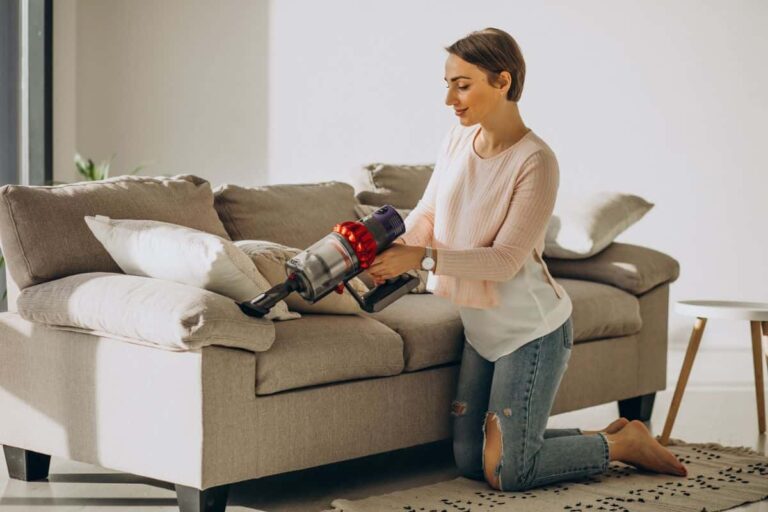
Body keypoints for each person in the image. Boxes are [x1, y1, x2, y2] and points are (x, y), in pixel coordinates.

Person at [366, 27, 688, 492]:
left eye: (462, 84)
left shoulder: (536, 161)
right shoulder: (457, 142)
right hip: (482, 331)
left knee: (511, 471)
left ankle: (623, 446)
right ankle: (608, 435)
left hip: (531, 332)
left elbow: (504, 262)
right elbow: (429, 213)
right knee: (469, 459)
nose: (449, 99)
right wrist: (387, 249)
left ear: (503, 81)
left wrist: (422, 259)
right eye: (447, 84)